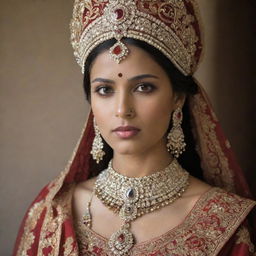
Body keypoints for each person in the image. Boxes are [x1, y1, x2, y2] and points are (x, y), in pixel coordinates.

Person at [13, 0, 256, 255]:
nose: (122, 109)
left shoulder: (224, 223)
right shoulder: (54, 214)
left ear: (178, 97)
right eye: (104, 90)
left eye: (143, 87)